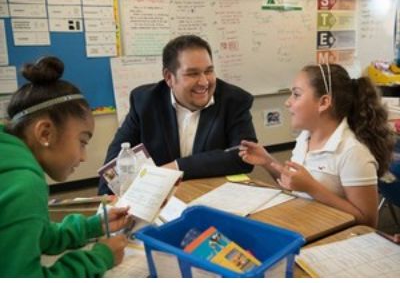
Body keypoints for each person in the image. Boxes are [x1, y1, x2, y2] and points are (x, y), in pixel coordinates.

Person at [0, 57, 131, 277]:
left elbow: (37, 235)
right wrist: (99, 257)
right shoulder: (24, 186)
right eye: (82, 141)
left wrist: (91, 227)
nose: (83, 157)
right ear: (45, 133)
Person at [239, 64, 395, 227]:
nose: (287, 102)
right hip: (306, 224)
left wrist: (312, 188)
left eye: (296, 95)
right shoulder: (305, 138)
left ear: (324, 102)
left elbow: (368, 222)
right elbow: (295, 184)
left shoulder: (353, 153)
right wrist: (267, 161)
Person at [98, 35, 257, 195]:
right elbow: (115, 162)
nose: (204, 82)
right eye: (193, 74)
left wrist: (176, 167)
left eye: (208, 71)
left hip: (214, 195)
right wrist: (107, 202)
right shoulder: (145, 101)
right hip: (163, 197)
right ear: (169, 77)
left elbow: (243, 155)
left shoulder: (234, 100)